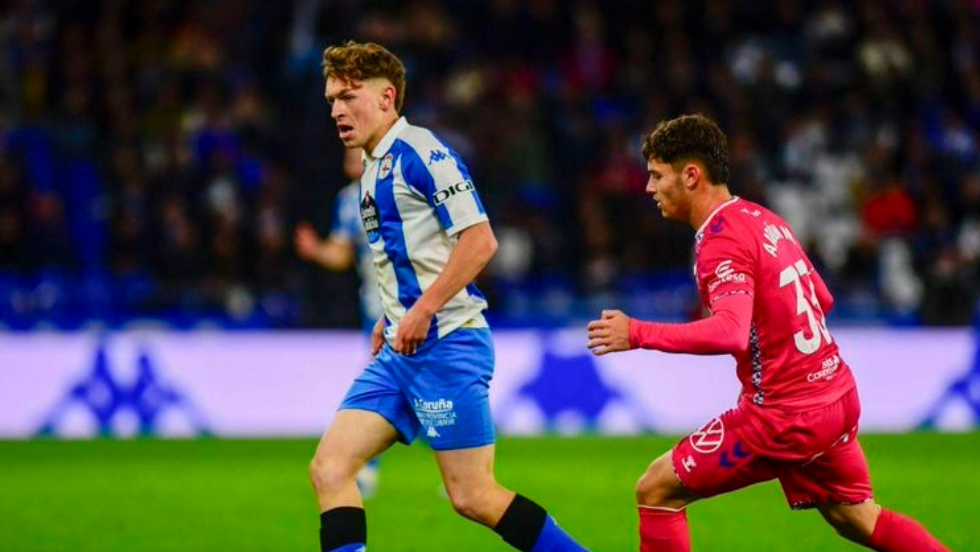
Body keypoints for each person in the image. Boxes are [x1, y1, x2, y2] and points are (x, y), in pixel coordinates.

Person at [586, 114, 952, 552]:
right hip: (836, 395)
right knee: (855, 517)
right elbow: (823, 298)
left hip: (786, 416)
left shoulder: (719, 239)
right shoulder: (761, 218)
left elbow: (730, 333)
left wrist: (636, 332)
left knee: (656, 490)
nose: (648, 188)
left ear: (690, 175)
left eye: (656, 175)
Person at [310, 40, 590, 552]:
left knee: (473, 496)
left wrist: (421, 308)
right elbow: (406, 257)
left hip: (447, 345)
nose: (337, 110)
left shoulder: (423, 153)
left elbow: (480, 241)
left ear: (387, 96)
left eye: (349, 96)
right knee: (330, 468)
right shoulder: (373, 167)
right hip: (400, 347)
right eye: (331, 99)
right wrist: (392, 313)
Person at [295, 147, 383, 498]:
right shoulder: (348, 201)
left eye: (355, 155)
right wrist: (317, 250)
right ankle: (462, 464)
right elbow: (342, 253)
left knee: (380, 389)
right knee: (402, 392)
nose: (348, 161)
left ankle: (365, 468)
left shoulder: (397, 190)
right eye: (345, 156)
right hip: (373, 312)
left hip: (408, 309)